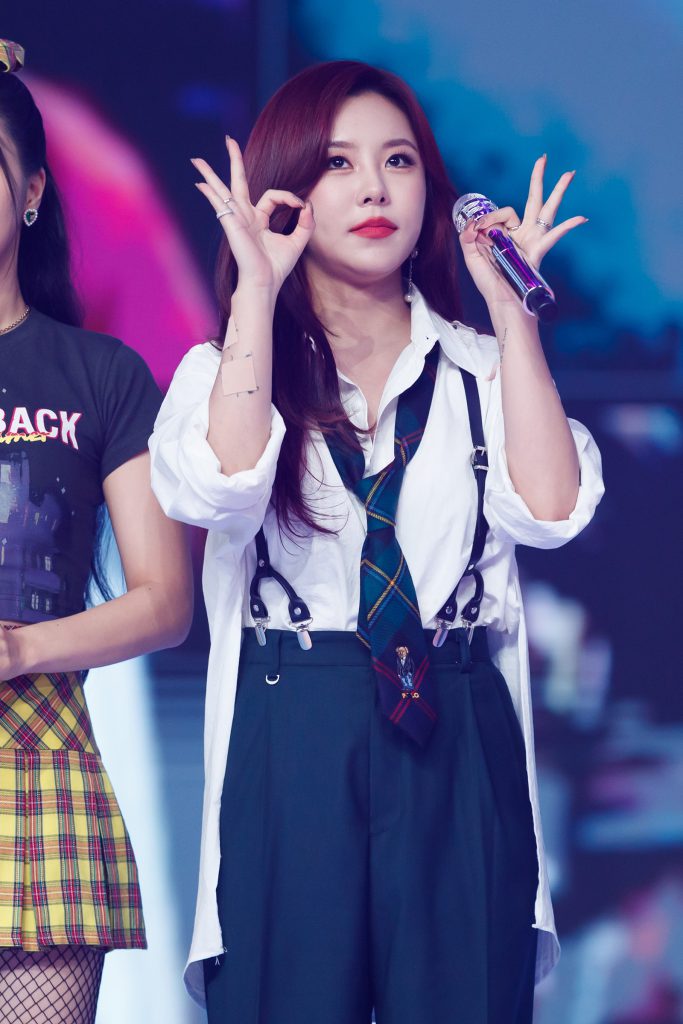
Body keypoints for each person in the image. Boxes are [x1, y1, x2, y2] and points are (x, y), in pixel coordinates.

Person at [150, 60, 604, 1023]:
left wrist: (511, 316)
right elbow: (216, 485)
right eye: (338, 163)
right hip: (296, 711)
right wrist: (255, 296)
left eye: (397, 162)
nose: (373, 189)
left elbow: (552, 510)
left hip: (454, 710)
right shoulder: (227, 366)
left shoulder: (481, 367)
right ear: (288, 190)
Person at [0, 41, 193, 1024]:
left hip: (43, 756)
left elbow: (165, 600)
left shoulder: (99, 373)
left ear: (31, 191)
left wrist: (23, 648)